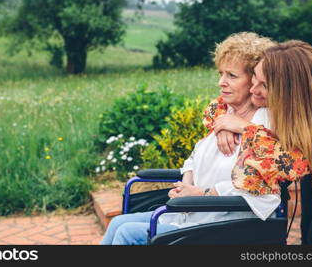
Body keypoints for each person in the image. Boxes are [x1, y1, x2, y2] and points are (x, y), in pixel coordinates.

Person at [100, 32, 279, 245]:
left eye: (231, 75)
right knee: (117, 223)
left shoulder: (263, 127)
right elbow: (193, 159)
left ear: (254, 80)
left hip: (228, 224)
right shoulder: (224, 114)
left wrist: (198, 193)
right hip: (192, 213)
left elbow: (260, 192)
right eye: (220, 73)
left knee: (128, 233)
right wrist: (186, 187)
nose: (221, 82)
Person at [214, 40, 312, 244]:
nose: (253, 89)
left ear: (291, 90)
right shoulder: (290, 98)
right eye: (255, 75)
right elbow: (221, 103)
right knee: (307, 230)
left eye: (264, 85)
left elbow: (286, 165)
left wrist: (243, 128)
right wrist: (223, 126)